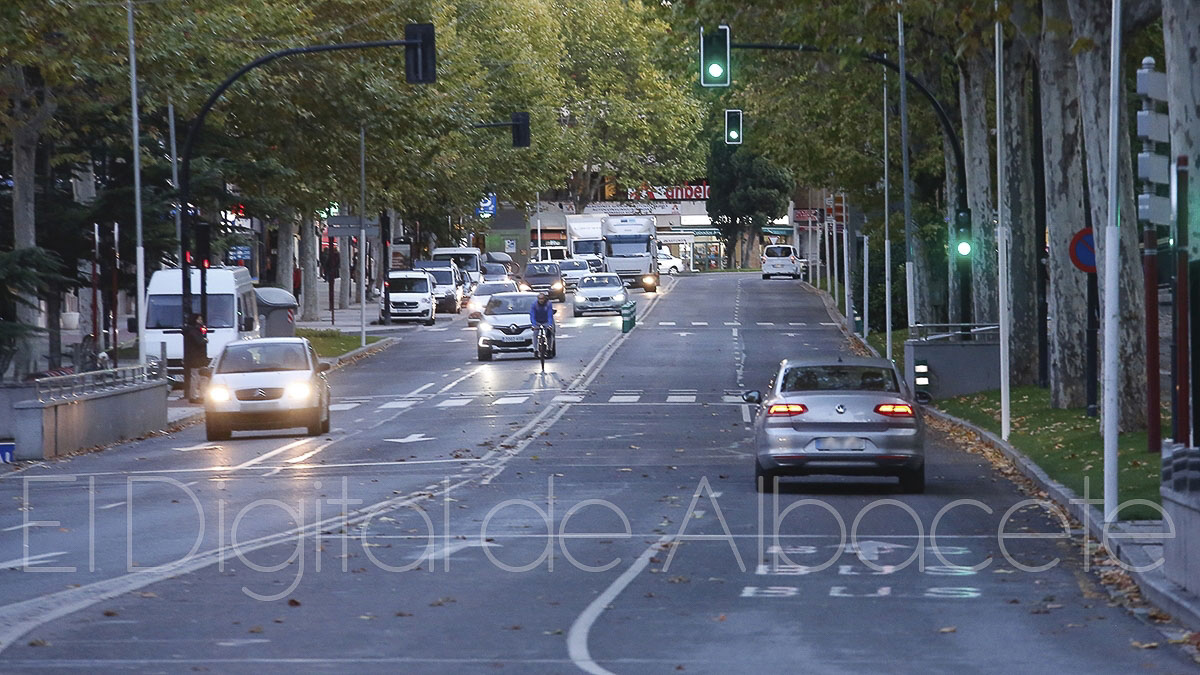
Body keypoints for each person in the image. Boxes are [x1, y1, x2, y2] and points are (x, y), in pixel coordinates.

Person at [182, 313, 208, 403]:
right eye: (199, 319)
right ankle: (196, 396)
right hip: (197, 358)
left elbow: (204, 334)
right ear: (195, 320)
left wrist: (203, 332)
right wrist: (205, 340)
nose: (201, 321)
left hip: (195, 358)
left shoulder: (192, 330)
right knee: (199, 377)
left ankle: (198, 395)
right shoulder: (193, 331)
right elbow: (200, 341)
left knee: (199, 377)